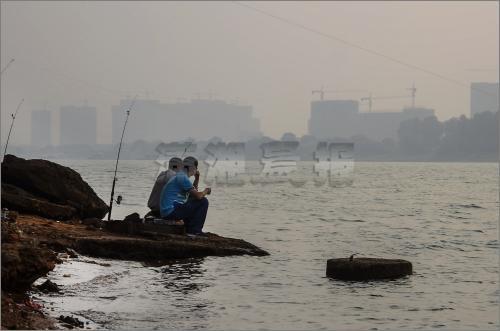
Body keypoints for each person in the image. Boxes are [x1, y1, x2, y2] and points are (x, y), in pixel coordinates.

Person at [160, 156, 211, 236]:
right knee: (203, 201)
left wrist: (197, 179)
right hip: (170, 211)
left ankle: (190, 228)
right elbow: (198, 196)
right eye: (196, 168)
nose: (196, 170)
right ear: (192, 168)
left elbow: (194, 195)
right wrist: (206, 191)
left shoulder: (180, 176)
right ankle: (194, 231)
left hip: (167, 211)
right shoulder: (182, 177)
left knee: (195, 200)